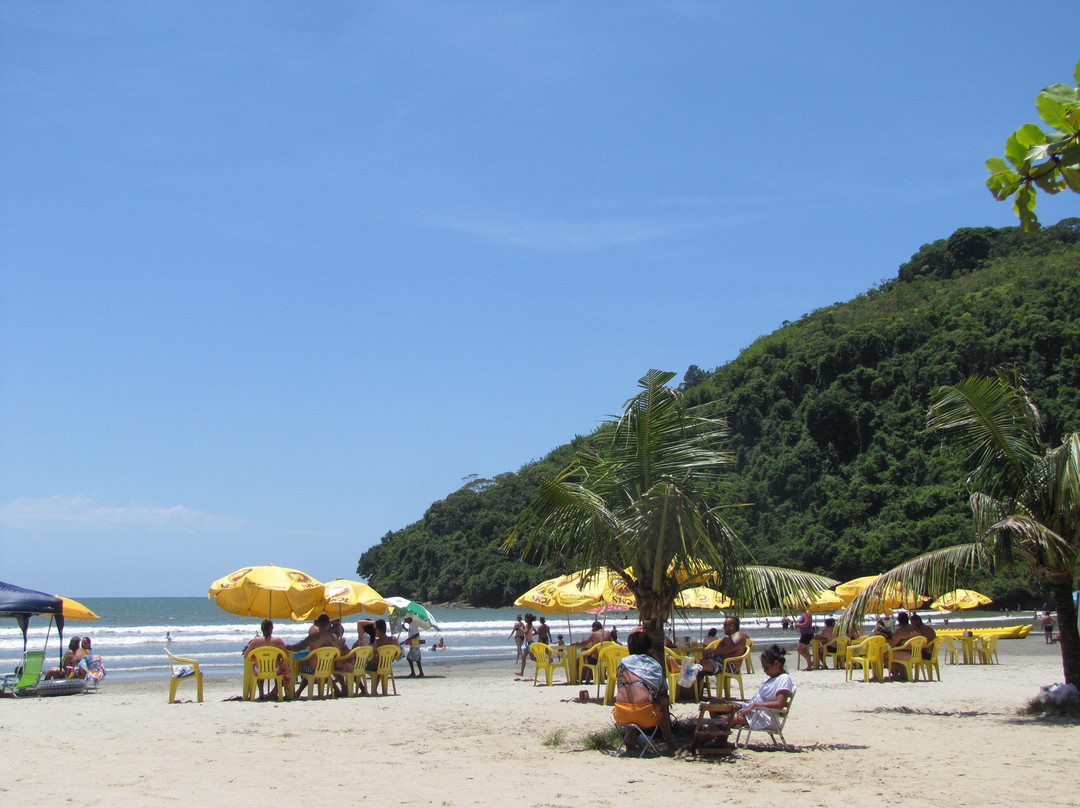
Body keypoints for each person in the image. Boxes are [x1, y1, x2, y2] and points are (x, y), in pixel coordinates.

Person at [613, 630, 673, 753]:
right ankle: (670, 743)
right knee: (662, 703)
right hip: (645, 716)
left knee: (630, 697)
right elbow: (662, 689)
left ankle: (629, 739)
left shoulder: (623, 663)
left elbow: (619, 684)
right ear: (648, 648)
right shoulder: (653, 665)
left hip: (620, 714)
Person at [726, 644, 795, 734]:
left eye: (766, 667)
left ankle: (716, 741)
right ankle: (721, 739)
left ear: (776, 664)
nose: (764, 671)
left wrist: (754, 705)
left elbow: (780, 704)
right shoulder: (772, 678)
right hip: (753, 710)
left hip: (761, 716)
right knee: (716, 704)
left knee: (723, 719)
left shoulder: (784, 678)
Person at [287, 614, 340, 698]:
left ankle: (294, 693)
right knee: (311, 665)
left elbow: (299, 647)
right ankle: (298, 692)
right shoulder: (334, 637)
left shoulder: (315, 637)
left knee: (297, 664)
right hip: (327, 668)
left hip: (312, 669)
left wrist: (287, 647)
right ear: (328, 624)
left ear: (317, 624)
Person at [244, 619, 292, 700]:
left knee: (258, 665)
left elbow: (246, 655)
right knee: (284, 669)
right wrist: (279, 656)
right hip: (275, 669)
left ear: (262, 629)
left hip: (259, 670)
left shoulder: (255, 641)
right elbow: (286, 654)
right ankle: (276, 691)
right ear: (272, 629)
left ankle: (261, 692)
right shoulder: (278, 640)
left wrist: (255, 657)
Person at [697, 617, 749, 685]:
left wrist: (712, 654)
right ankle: (695, 690)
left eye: (725, 625)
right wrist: (710, 654)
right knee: (696, 665)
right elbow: (717, 651)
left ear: (732, 626)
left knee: (698, 666)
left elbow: (729, 648)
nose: (723, 627)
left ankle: (691, 690)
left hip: (729, 665)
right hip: (721, 662)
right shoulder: (726, 639)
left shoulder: (739, 635)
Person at [886, 612, 918, 681]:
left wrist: (887, 640)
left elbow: (892, 644)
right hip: (917, 654)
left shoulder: (900, 631)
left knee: (884, 655)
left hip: (906, 654)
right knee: (895, 652)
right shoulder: (915, 629)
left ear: (899, 620)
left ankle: (896, 676)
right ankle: (903, 674)